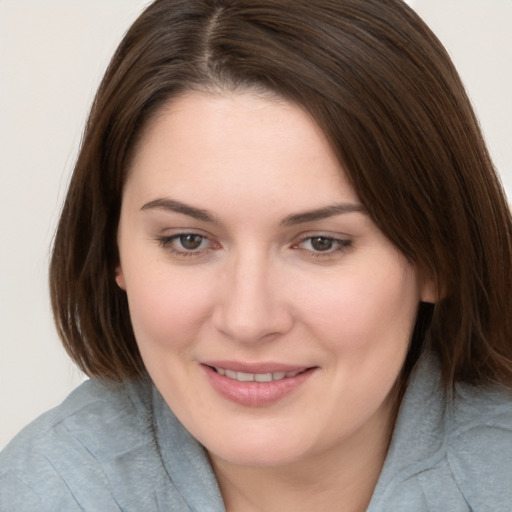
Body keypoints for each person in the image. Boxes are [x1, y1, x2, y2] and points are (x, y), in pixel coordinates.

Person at [1, 0, 511, 510]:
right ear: (113, 251)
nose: (248, 320)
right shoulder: (45, 489)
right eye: (188, 240)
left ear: (439, 255)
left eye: (321, 243)